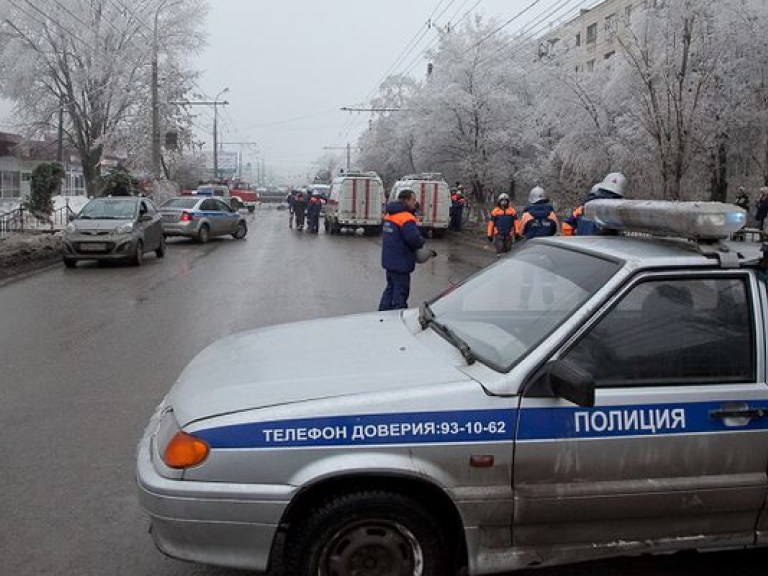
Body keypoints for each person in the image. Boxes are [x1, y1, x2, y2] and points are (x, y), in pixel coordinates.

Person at [378, 188, 425, 311]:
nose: (415, 203)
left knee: (390, 289)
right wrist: (421, 241)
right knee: (400, 292)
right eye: (413, 200)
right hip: (401, 262)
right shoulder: (406, 218)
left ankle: (382, 314)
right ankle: (397, 317)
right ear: (407, 200)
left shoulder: (390, 214)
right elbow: (414, 240)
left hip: (390, 261)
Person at [564, 172, 626, 236]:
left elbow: (566, 227)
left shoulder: (582, 208)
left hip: (581, 244)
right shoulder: (614, 211)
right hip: (601, 245)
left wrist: (575, 240)